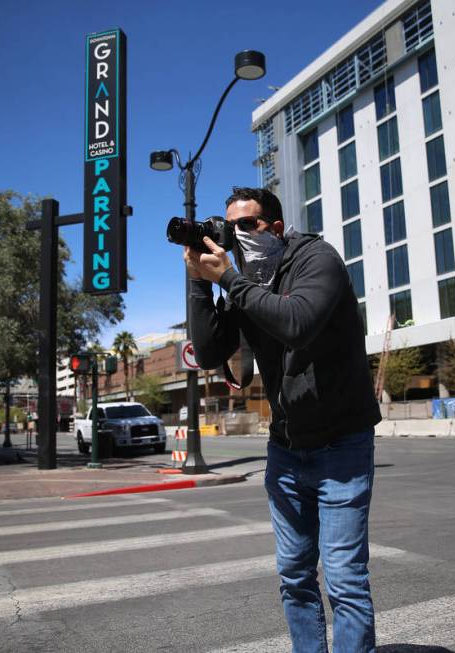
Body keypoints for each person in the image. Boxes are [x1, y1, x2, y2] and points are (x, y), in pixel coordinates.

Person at [184, 187, 382, 652]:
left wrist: (231, 279)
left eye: (245, 226)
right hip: (286, 450)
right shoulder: (244, 281)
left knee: (344, 579)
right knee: (294, 576)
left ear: (274, 228)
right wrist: (197, 280)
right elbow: (211, 352)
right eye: (228, 228)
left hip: (342, 445)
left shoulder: (317, 259)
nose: (235, 235)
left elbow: (297, 322)